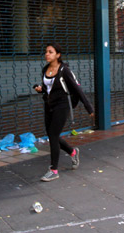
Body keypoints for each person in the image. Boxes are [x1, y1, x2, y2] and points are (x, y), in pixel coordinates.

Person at [34, 43, 94, 182]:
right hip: (49, 105)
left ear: (58, 55)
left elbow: (77, 89)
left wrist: (88, 107)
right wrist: (40, 89)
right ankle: (72, 152)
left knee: (53, 136)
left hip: (62, 106)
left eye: (50, 52)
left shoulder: (64, 70)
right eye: (46, 52)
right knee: (51, 135)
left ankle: (54, 170)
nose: (47, 54)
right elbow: (48, 88)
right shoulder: (45, 69)